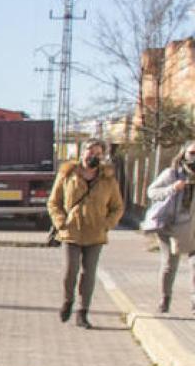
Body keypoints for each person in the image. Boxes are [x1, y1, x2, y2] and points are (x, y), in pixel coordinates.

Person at [48, 139, 125, 326]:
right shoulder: (67, 175)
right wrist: (60, 223)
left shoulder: (108, 179)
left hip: (95, 234)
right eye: (90, 152)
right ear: (82, 153)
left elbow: (117, 207)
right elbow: (54, 202)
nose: (93, 156)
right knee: (70, 271)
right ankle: (68, 301)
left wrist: (106, 224)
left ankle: (83, 312)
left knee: (89, 273)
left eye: (98, 154)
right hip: (71, 232)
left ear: (103, 156)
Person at [143, 141, 195, 312]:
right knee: (169, 265)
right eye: (192, 153)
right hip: (171, 226)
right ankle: (165, 298)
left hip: (193, 227)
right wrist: (172, 188)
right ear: (184, 154)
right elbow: (152, 192)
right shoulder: (172, 174)